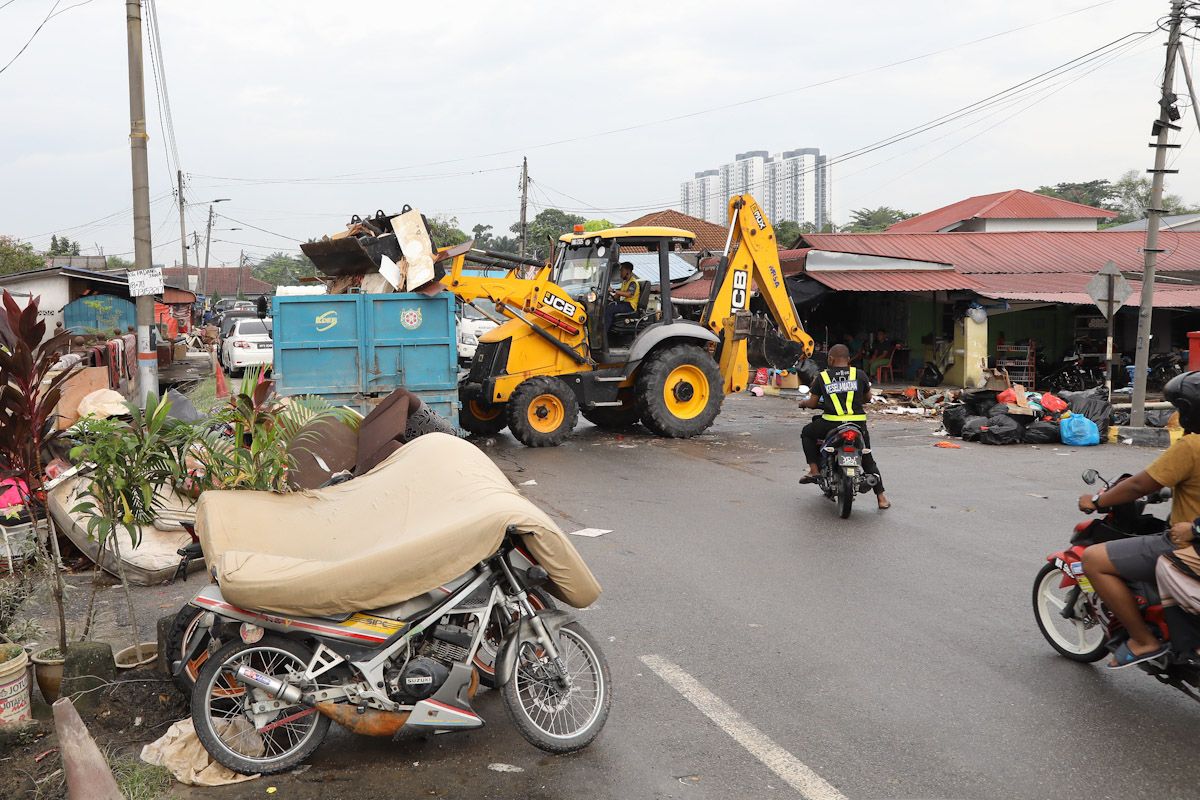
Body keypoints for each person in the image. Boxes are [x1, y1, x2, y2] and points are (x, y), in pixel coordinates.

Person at [1078, 371, 1200, 668]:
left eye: (1180, 409)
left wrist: (1096, 501)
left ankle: (1143, 640)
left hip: (1188, 543)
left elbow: (1138, 486)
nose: (1177, 415)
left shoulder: (1192, 446)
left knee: (1093, 559)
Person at [798, 343, 891, 510]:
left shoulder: (823, 377)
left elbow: (812, 403)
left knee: (806, 433)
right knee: (867, 458)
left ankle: (814, 470)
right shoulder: (859, 374)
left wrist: (803, 403)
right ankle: (881, 498)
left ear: (830, 359)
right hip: (857, 424)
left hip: (830, 424)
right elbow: (868, 398)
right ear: (848, 360)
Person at [605, 261, 641, 329]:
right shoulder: (624, 282)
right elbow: (617, 296)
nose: (620, 273)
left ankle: (604, 331)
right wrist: (609, 295)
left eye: (622, 270)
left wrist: (613, 290)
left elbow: (629, 294)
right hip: (624, 304)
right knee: (606, 306)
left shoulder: (633, 282)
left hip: (630, 306)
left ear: (628, 271)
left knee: (610, 309)